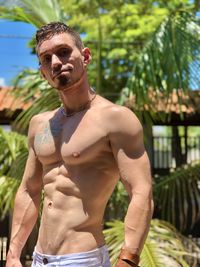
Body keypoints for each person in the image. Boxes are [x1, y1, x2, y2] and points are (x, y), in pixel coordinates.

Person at [6, 22, 153, 267]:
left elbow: (141, 192)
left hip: (83, 259)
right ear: (42, 71)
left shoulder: (115, 118)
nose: (55, 62)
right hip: (39, 259)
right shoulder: (39, 124)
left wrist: (128, 259)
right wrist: (13, 254)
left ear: (84, 56)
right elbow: (28, 190)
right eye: (46, 58)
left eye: (63, 52)